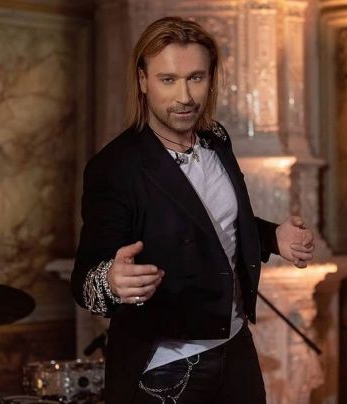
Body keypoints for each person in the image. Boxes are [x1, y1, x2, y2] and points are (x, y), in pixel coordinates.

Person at [71, 16, 314, 404]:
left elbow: (212, 223)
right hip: (165, 367)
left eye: (195, 78)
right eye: (168, 79)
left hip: (235, 347)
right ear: (142, 80)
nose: (184, 96)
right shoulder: (116, 166)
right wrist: (112, 282)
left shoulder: (215, 139)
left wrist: (272, 237)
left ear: (211, 78)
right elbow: (84, 281)